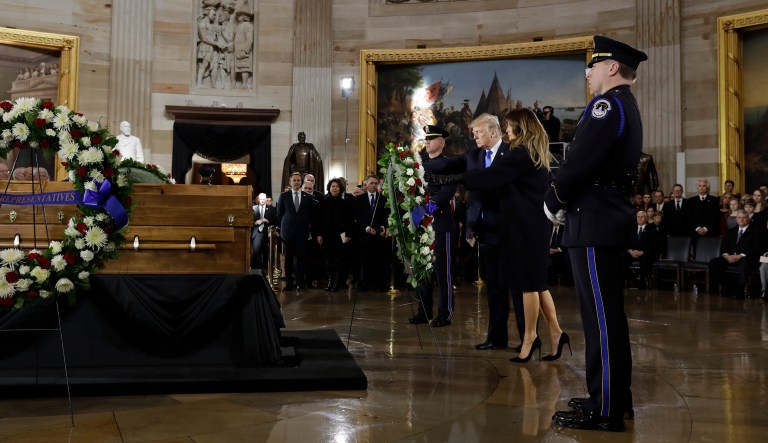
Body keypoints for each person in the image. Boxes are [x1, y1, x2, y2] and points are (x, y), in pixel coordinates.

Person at [545, 35, 647, 432]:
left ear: (613, 68)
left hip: (594, 219)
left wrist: (553, 200)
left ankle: (605, 409)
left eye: (594, 65)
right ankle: (612, 399)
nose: (588, 72)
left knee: (601, 320)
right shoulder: (624, 105)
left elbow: (580, 162)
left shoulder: (607, 106)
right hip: (603, 217)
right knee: (607, 317)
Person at [408, 125, 460, 328]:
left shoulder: (449, 165)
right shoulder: (419, 165)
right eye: (426, 139)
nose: (427, 141)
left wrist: (422, 212)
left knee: (442, 272)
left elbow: (444, 195)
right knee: (421, 269)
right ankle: (423, 310)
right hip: (421, 225)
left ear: (442, 142)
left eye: (432, 138)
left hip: (440, 224)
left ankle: (445, 313)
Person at [277, 172, 317, 291]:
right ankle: (289, 283)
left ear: (301, 182)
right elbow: (279, 214)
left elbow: (311, 215)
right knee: (288, 259)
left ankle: (300, 282)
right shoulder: (284, 196)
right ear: (290, 182)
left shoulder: (308, 197)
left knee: (301, 259)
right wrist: (284, 227)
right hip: (287, 233)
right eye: (294, 180)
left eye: (298, 180)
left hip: (302, 233)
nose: (296, 182)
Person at [316, 178, 355, 292]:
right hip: (327, 235)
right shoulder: (323, 202)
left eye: (337, 186)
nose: (335, 188)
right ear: (329, 188)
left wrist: (348, 235)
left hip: (341, 234)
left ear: (340, 188)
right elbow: (319, 220)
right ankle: (330, 281)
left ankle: (337, 282)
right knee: (329, 259)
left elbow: (350, 221)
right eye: (333, 186)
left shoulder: (346, 203)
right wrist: (319, 234)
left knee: (339, 259)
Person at [709, 210, 757, 298]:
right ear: (736, 219)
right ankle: (726, 285)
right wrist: (726, 255)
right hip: (730, 257)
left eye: (744, 218)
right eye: (739, 217)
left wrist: (740, 256)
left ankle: (740, 290)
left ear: (748, 219)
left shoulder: (755, 231)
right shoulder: (731, 231)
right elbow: (724, 246)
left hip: (746, 258)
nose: (741, 220)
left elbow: (756, 248)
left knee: (744, 264)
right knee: (714, 263)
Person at [354, 174, 390, 291]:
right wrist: (366, 227)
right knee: (365, 261)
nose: (374, 185)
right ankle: (364, 283)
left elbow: (386, 216)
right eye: (371, 183)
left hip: (378, 235)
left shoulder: (383, 199)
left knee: (378, 261)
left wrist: (383, 227)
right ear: (366, 184)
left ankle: (377, 284)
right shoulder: (359, 199)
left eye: (376, 183)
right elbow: (358, 217)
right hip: (365, 235)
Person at [623, 210, 658, 289]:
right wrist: (630, 251)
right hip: (632, 252)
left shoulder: (652, 229)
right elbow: (626, 242)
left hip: (645, 253)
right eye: (638, 217)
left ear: (646, 218)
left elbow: (654, 245)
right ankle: (627, 279)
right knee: (623, 257)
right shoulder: (632, 228)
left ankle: (641, 282)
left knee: (646, 259)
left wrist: (642, 252)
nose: (640, 219)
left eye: (642, 217)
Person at [252, 192, 277, 270]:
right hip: (256, 234)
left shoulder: (272, 209)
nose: (262, 201)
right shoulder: (253, 208)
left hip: (267, 233)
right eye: (260, 199)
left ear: (266, 199)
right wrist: (256, 222)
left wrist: (267, 220)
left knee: (267, 253)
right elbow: (249, 220)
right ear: (258, 199)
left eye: (263, 199)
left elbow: (276, 221)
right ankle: (255, 272)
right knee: (255, 254)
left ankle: (266, 272)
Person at [233, 5, 254, 89]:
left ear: (245, 16)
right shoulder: (239, 26)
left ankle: (244, 84)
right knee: (239, 66)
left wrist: (245, 50)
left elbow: (249, 40)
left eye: (240, 15)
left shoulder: (247, 25)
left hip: (243, 50)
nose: (238, 17)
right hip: (238, 49)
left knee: (244, 67)